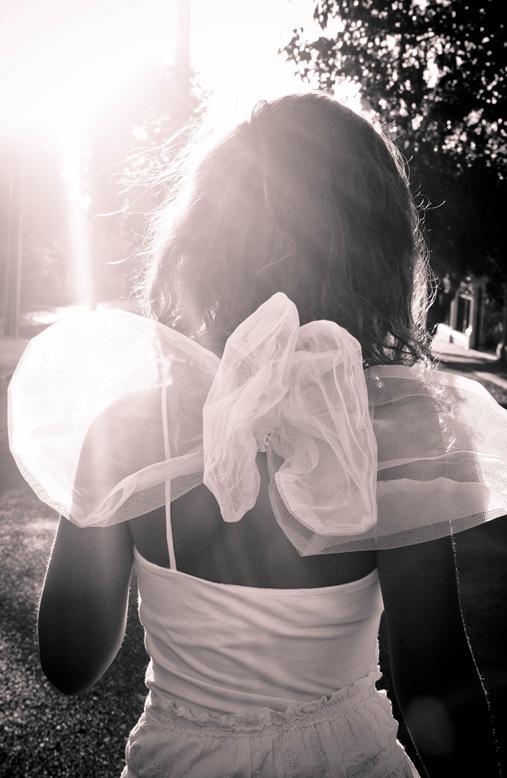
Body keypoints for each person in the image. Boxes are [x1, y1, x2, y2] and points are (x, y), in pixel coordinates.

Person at [8, 93, 507, 777]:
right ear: (376, 249)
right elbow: (434, 678)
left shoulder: (129, 432)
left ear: (199, 243)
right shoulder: (394, 433)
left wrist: (98, 491)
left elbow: (69, 663)